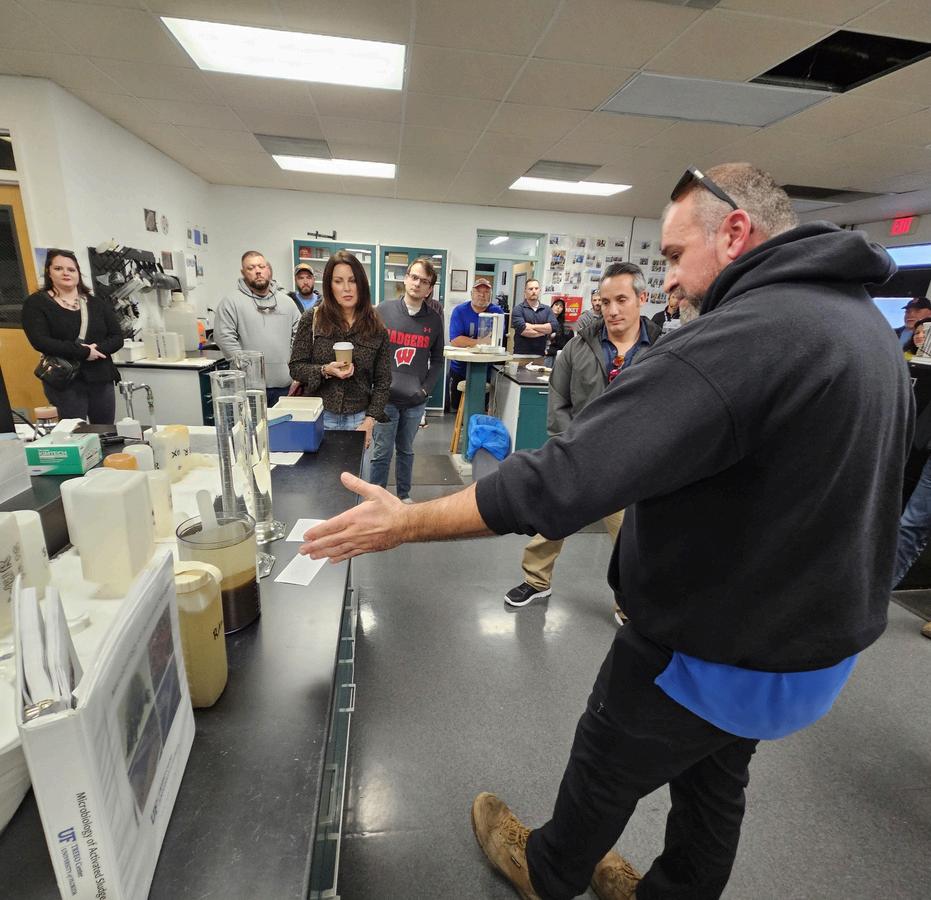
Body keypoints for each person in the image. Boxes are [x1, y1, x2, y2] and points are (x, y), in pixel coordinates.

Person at [300, 163, 911, 900]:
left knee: (607, 759)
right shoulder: (863, 327)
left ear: (734, 233)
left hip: (714, 645)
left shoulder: (750, 336)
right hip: (808, 648)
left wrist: (407, 521)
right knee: (715, 780)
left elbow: (567, 475)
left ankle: (546, 869)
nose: (669, 279)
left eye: (675, 256)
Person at [506, 263, 660, 611]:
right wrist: (573, 444)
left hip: (631, 464)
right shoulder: (579, 346)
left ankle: (630, 604)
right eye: (605, 302)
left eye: (621, 299)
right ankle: (536, 581)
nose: (612, 310)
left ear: (642, 298)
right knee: (553, 518)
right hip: (580, 454)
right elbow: (558, 400)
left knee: (632, 538)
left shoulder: (662, 350)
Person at [288, 251, 391, 449]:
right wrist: (325, 370)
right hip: (319, 416)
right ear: (329, 285)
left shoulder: (376, 328)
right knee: (319, 470)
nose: (346, 288)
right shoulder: (313, 319)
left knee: (358, 470)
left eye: (353, 280)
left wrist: (370, 421)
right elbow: (296, 368)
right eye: (338, 281)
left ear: (361, 284)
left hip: (359, 420)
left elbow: (383, 381)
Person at [369, 256, 444, 503]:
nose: (417, 283)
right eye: (414, 277)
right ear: (406, 278)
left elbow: (438, 360)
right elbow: (369, 350)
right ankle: (376, 500)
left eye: (424, 281)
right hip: (385, 399)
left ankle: (403, 496)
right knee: (381, 452)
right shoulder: (383, 310)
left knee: (406, 450)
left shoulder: (434, 320)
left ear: (430, 288)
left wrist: (425, 391)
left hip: (414, 401)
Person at [22, 249, 124, 424]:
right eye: (58, 268)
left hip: (101, 376)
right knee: (74, 432)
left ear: (78, 273)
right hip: (66, 379)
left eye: (71, 269)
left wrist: (96, 350)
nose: (66, 273)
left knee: (106, 430)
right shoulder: (36, 303)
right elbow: (41, 341)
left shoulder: (96, 303)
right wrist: (84, 352)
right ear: (48, 272)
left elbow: (116, 337)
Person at [214, 250, 301, 405]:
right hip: (248, 389)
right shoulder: (231, 303)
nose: (258, 271)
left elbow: (300, 337)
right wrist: (248, 367)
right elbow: (224, 338)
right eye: (251, 268)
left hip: (285, 386)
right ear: (243, 272)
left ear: (268, 269)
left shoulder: (287, 303)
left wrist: (291, 364)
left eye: (261, 266)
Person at [447, 278, 504, 411]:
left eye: (486, 292)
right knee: (457, 407)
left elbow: (496, 340)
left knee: (481, 408)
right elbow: (455, 340)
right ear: (472, 293)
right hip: (460, 369)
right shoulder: (460, 311)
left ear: (490, 295)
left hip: (486, 370)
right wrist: (482, 342)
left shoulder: (497, 312)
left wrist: (468, 342)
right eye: (478, 291)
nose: (482, 295)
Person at [512, 278, 558, 356]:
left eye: (536, 288)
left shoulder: (547, 309)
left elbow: (554, 327)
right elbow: (523, 330)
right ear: (525, 292)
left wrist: (532, 326)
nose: (534, 291)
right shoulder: (518, 309)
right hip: (521, 355)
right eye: (530, 289)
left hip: (540, 355)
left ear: (539, 290)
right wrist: (544, 332)